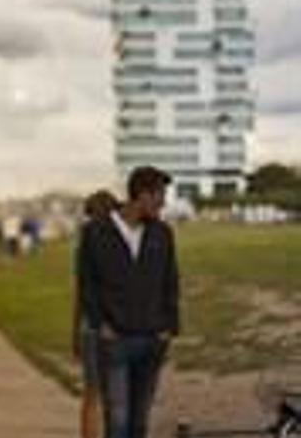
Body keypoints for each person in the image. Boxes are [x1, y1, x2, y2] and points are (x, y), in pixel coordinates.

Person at [77, 167, 180, 438]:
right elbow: (87, 284)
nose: (163, 203)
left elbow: (170, 282)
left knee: (139, 422)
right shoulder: (95, 232)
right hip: (115, 342)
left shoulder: (163, 233)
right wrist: (101, 325)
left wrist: (169, 326)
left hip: (152, 339)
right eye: (160, 196)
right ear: (142, 196)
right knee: (118, 420)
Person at [72, 190, 120, 438]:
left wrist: (74, 334)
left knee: (92, 395)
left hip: (89, 326)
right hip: (113, 327)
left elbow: (80, 293)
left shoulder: (84, 243)